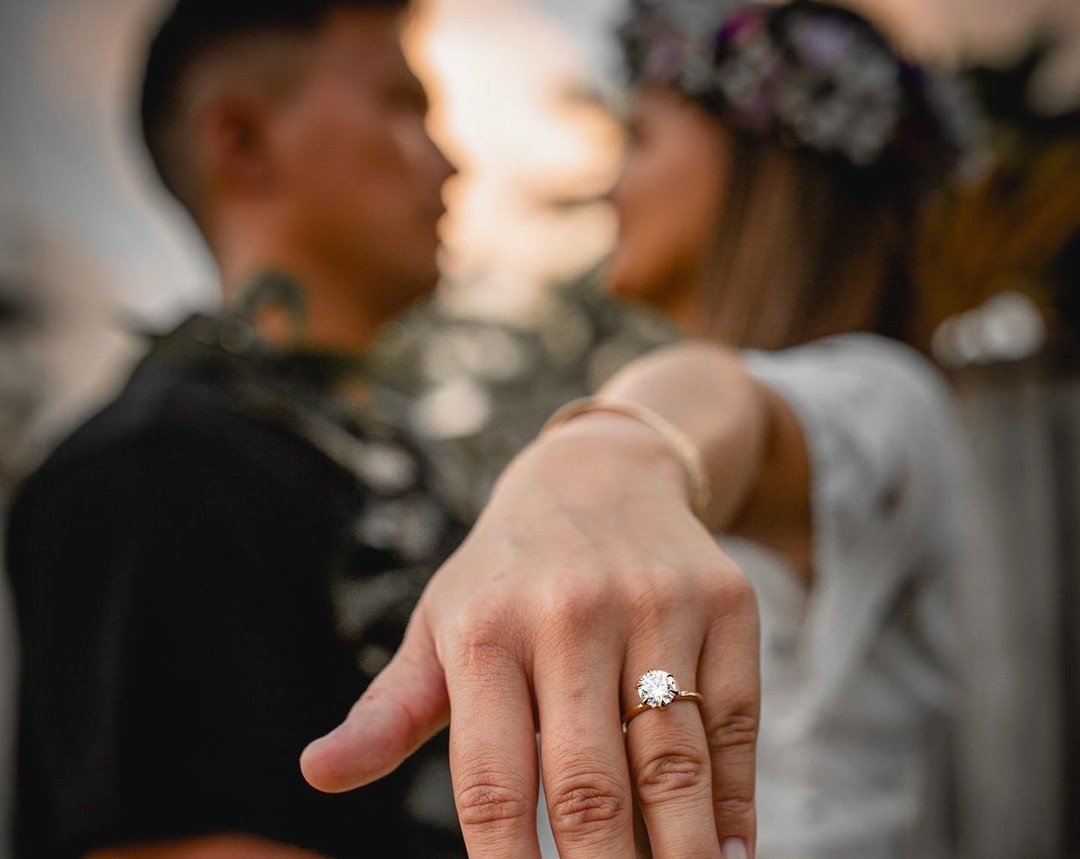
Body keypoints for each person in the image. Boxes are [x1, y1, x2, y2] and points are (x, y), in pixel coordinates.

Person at [301, 2, 984, 858]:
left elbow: (728, 404)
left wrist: (604, 454)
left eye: (641, 141)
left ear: (761, 165)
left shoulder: (886, 397)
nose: (612, 187)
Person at [5, 1, 472, 856]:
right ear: (242, 140)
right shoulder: (156, 471)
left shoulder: (392, 456)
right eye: (402, 106)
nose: (449, 163)